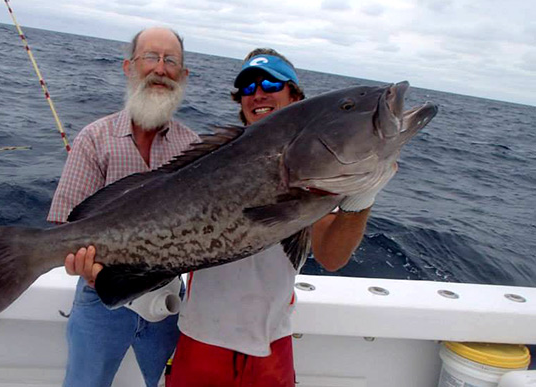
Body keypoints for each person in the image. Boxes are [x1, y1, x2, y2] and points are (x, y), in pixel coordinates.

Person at [165, 49, 398, 386]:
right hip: (201, 341)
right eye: (247, 88)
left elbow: (331, 257)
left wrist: (361, 198)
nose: (258, 93)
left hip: (272, 347)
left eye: (272, 82)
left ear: (296, 97)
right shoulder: (209, 162)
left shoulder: (310, 168)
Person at [47, 27, 199, 387]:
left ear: (184, 75)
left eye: (171, 60)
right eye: (150, 57)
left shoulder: (195, 148)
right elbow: (61, 229)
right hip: (99, 298)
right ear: (129, 67)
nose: (159, 69)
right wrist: (87, 266)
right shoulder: (94, 138)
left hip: (167, 301)